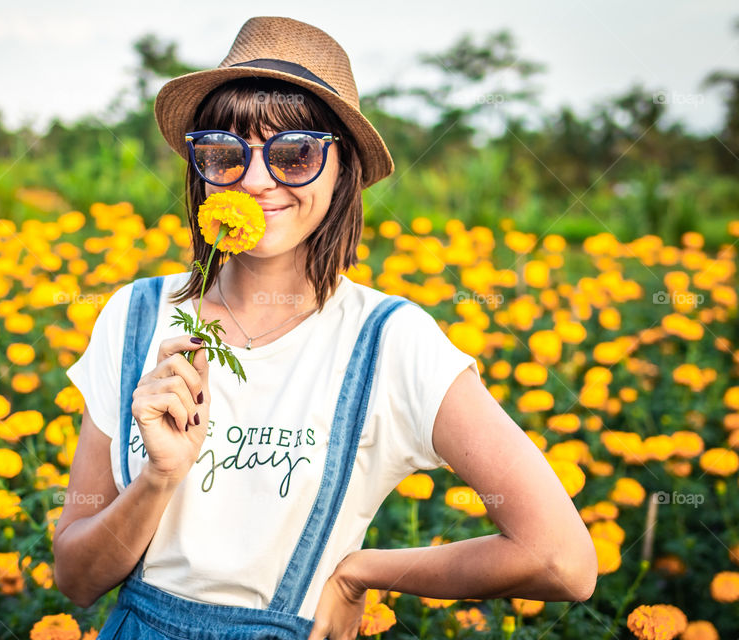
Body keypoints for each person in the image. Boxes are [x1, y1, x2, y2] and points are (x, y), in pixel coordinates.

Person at [53, 15, 598, 640]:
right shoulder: (135, 315)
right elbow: (77, 579)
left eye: (295, 152)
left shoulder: (391, 341)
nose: (256, 179)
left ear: (344, 169)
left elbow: (560, 559)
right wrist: (158, 478)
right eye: (225, 151)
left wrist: (361, 572)